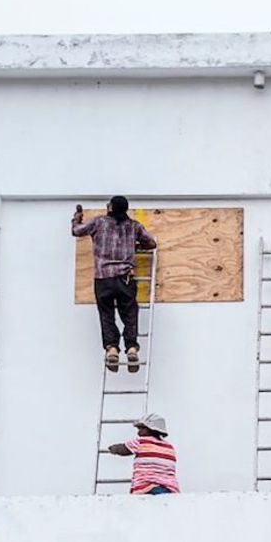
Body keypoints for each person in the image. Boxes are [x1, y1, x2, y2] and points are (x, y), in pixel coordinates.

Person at [71, 196, 157, 373]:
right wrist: (134, 245)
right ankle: (131, 347)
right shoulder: (133, 226)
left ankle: (112, 349)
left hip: (103, 278)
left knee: (106, 313)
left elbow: (77, 231)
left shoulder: (98, 223)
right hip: (125, 278)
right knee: (130, 313)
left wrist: (76, 218)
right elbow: (151, 243)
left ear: (110, 208)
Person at [107, 413, 179, 495]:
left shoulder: (141, 441)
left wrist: (114, 448)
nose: (138, 432)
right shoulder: (169, 447)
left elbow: (124, 449)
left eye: (142, 428)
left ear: (152, 429)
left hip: (147, 486)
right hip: (170, 488)